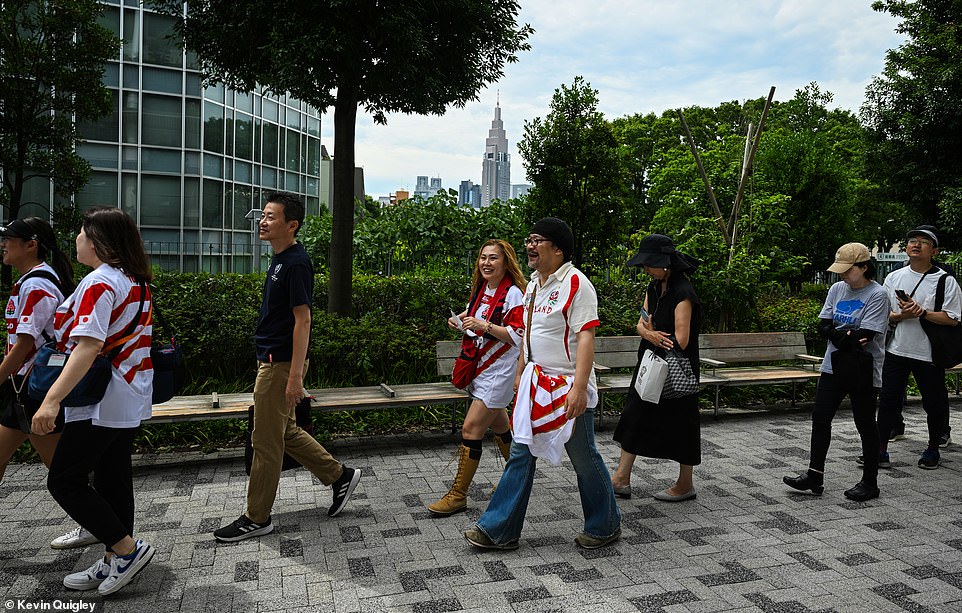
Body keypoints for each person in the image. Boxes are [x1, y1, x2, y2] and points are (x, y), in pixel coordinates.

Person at [463, 217, 621, 551]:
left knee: (583, 456)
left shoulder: (577, 283)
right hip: (536, 383)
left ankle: (605, 525)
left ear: (558, 248)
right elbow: (529, 336)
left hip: (566, 386)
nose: (529, 246)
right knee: (521, 452)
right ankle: (499, 530)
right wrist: (521, 372)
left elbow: (586, 338)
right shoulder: (535, 284)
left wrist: (579, 388)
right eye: (529, 239)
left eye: (537, 240)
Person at [214, 192, 360, 543]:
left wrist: (294, 377)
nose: (263, 222)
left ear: (291, 225)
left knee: (264, 441)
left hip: (279, 366)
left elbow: (303, 320)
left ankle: (256, 517)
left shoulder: (295, 263)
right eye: (263, 216)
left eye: (271, 217)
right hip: (273, 362)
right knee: (284, 433)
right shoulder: (280, 260)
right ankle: (339, 476)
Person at [31, 207, 155, 595]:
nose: (77, 241)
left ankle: (125, 550)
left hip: (101, 397)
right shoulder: (135, 280)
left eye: (83, 234)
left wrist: (50, 401)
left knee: (65, 480)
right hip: (128, 393)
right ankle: (113, 559)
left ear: (99, 241)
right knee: (113, 479)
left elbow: (87, 347)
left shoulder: (100, 282)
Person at [0, 219, 98, 551]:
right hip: (24, 389)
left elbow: (24, 345)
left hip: (31, 388)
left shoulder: (37, 285)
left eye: (9, 239)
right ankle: (98, 521)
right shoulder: (30, 281)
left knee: (62, 471)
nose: (3, 244)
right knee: (60, 468)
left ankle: (100, 522)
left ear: (32, 244)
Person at [783, 243, 888, 501]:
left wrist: (839, 334)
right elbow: (823, 325)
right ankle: (814, 475)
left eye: (848, 269)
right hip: (833, 365)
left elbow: (867, 335)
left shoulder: (878, 295)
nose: (842, 274)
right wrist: (843, 336)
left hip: (864, 369)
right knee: (820, 418)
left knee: (864, 423)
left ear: (864, 267)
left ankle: (870, 482)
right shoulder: (837, 289)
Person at [427, 239, 525, 516]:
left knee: (471, 429)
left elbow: (518, 335)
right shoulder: (483, 290)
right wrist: (462, 319)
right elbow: (477, 318)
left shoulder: (514, 294)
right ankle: (518, 476)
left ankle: (458, 494)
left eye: (493, 258)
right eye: (483, 257)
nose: (486, 263)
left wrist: (485, 326)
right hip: (481, 370)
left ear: (506, 262)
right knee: (501, 427)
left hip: (499, 373)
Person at [610, 234, 702, 502]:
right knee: (635, 414)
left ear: (665, 264)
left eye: (649, 264)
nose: (646, 269)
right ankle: (621, 478)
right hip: (651, 365)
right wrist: (648, 334)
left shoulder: (684, 293)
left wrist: (652, 334)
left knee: (682, 424)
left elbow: (681, 340)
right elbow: (640, 323)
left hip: (676, 371)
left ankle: (685, 484)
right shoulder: (653, 288)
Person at [872, 226, 961, 470]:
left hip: (929, 352)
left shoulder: (945, 280)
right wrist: (901, 315)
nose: (916, 244)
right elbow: (886, 314)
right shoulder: (894, 277)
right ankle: (880, 450)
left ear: (934, 250)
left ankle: (933, 448)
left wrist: (921, 312)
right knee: (888, 400)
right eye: (912, 240)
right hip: (897, 349)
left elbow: (952, 318)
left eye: (924, 242)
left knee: (933, 403)